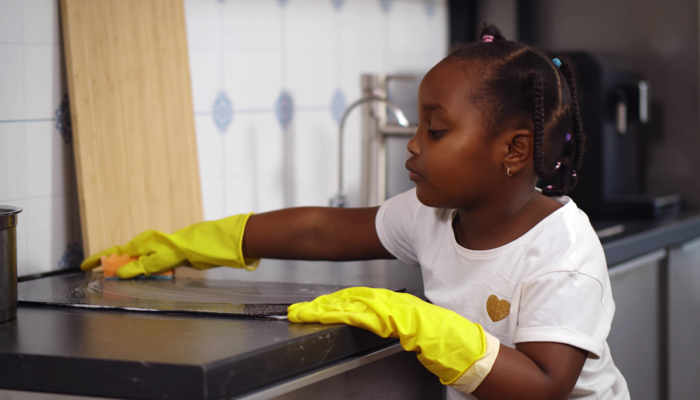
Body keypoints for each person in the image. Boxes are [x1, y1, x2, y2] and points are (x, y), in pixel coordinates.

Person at [81, 24, 629, 400]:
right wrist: (196, 244)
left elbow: (542, 388)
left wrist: (417, 319)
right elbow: (321, 231)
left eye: (435, 130)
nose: (413, 145)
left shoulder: (563, 252)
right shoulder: (431, 215)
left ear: (513, 150)